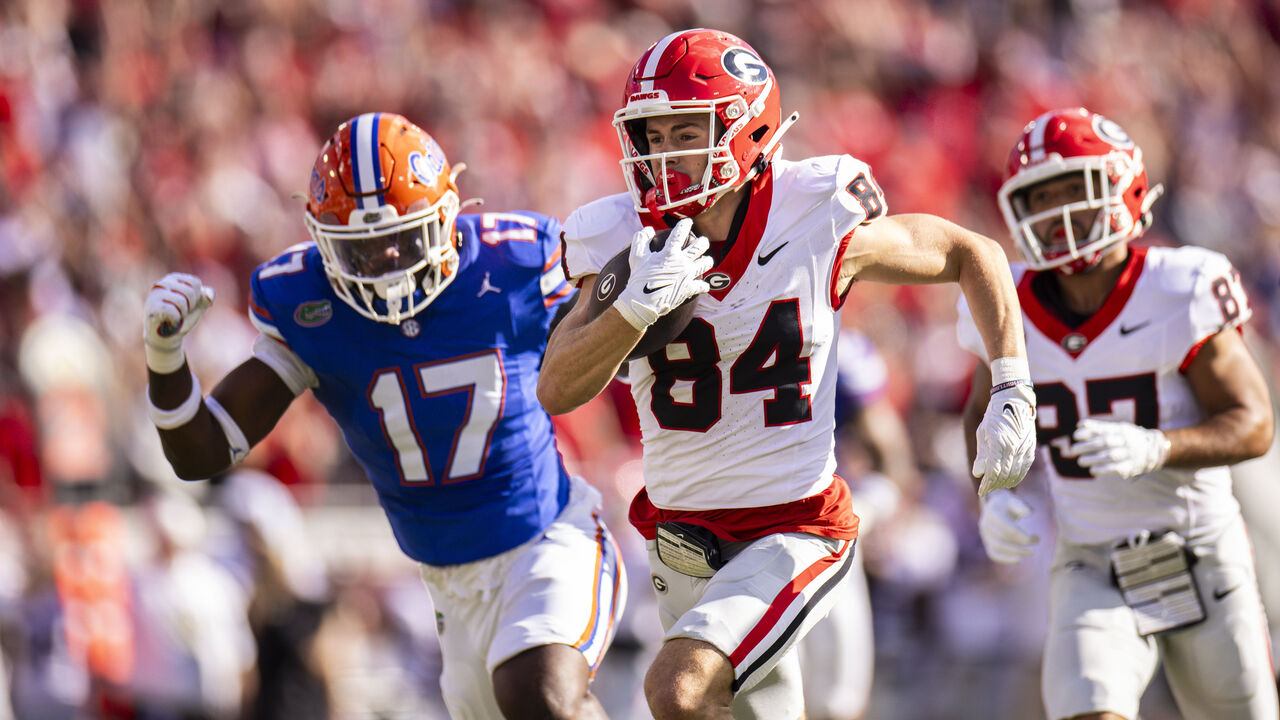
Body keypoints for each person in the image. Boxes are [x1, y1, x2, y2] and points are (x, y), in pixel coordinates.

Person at [537, 28, 1037, 719]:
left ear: (749, 132)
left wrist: (1012, 384)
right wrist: (628, 310)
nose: (663, 155)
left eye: (686, 131)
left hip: (792, 527)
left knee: (676, 689)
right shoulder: (619, 236)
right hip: (680, 537)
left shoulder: (813, 210)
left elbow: (970, 252)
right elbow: (556, 385)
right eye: (650, 135)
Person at [142, 112, 626, 720]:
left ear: (449, 217)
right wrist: (165, 361)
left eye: (401, 239)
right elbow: (203, 452)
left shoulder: (517, 265)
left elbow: (615, 351)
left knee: (542, 696)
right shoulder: (310, 307)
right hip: (448, 582)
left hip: (549, 538)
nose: (385, 264)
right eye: (361, 251)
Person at [958, 107, 1278, 720]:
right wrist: (991, 496)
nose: (1057, 214)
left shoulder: (1179, 286)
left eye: (1074, 190)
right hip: (1092, 561)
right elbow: (983, 418)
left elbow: (1255, 422)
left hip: (1201, 547)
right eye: (1040, 197)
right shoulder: (1007, 305)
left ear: (1123, 187)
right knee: (1090, 710)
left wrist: (1158, 447)